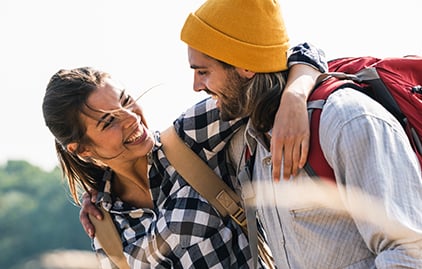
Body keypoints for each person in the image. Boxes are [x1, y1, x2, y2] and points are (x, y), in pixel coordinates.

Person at [176, 0, 422, 268]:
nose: (196, 86)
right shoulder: (251, 145)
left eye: (203, 72)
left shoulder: (346, 120)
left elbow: (409, 253)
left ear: (245, 67)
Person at [43, 39, 326, 269]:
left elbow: (294, 57)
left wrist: (295, 97)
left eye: (127, 101)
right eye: (109, 121)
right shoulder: (105, 229)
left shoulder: (189, 139)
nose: (131, 118)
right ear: (82, 150)